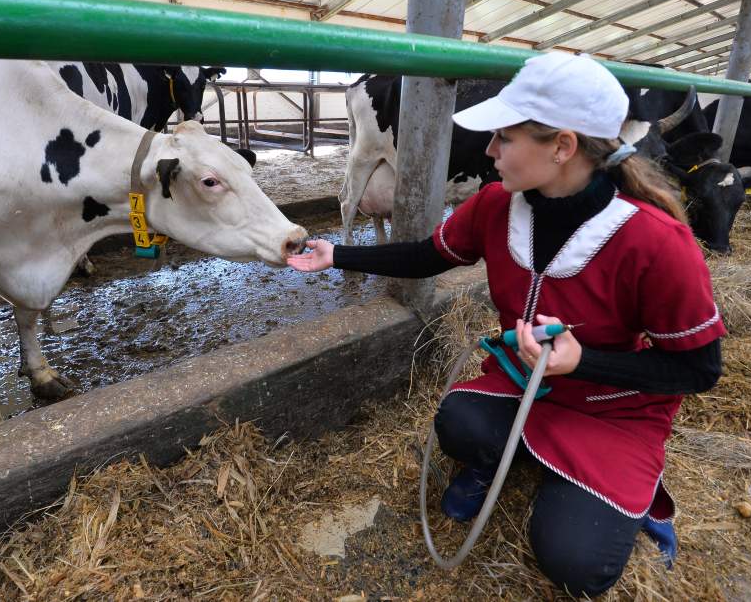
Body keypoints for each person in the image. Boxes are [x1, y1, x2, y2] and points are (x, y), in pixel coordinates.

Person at [287, 52, 724, 598]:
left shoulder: (656, 241)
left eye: (504, 138)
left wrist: (583, 361)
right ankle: (506, 462)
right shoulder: (497, 204)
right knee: (458, 422)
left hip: (613, 407)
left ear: (562, 147)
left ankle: (616, 497)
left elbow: (699, 369)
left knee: (574, 563)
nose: (489, 151)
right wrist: (339, 256)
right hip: (521, 380)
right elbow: (428, 256)